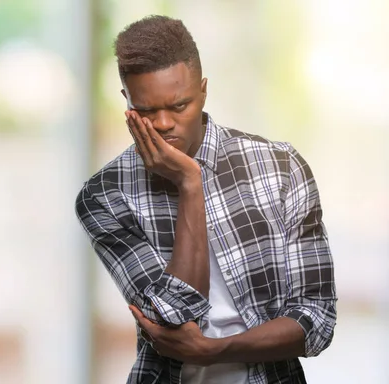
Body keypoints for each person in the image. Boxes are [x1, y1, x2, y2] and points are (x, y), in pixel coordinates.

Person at [74, 15, 337, 384]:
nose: (164, 123)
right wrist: (190, 182)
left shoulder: (280, 168)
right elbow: (174, 315)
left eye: (179, 106)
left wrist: (216, 350)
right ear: (127, 102)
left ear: (203, 91)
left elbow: (317, 321)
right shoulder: (105, 195)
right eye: (147, 111)